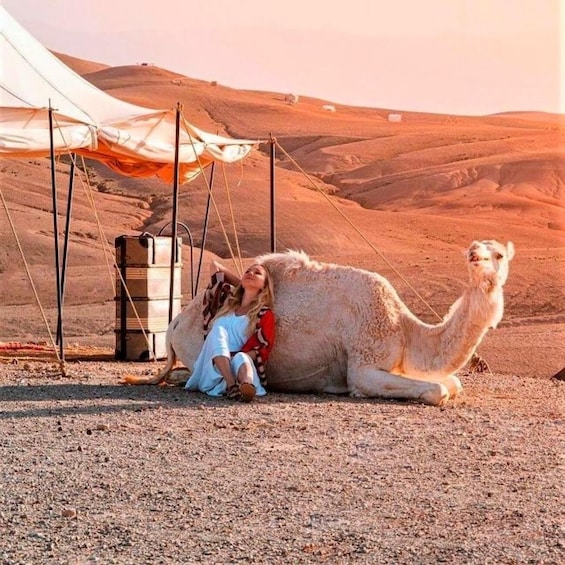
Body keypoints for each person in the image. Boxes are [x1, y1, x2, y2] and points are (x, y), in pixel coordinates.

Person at [184, 261, 276, 402]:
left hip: (240, 364)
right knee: (218, 331)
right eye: (247, 271)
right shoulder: (225, 303)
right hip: (215, 368)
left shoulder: (264, 313)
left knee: (242, 358)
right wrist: (242, 283)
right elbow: (214, 265)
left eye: (257, 273)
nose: (250, 273)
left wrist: (235, 358)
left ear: (264, 285)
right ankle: (232, 386)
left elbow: (264, 347)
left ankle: (246, 386)